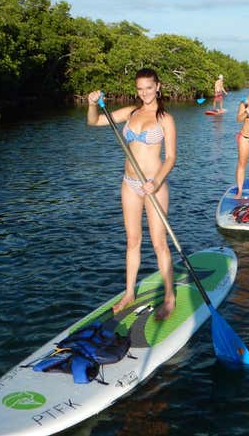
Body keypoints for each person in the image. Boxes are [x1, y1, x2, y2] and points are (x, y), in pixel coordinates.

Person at [86, 68, 177, 319]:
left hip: (153, 186)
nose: (144, 92)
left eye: (149, 87)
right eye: (140, 88)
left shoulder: (165, 118)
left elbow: (170, 157)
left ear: (158, 86)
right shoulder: (130, 113)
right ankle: (129, 293)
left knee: (159, 243)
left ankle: (169, 297)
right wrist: (92, 104)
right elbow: (94, 121)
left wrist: (157, 182)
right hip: (129, 183)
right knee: (132, 241)